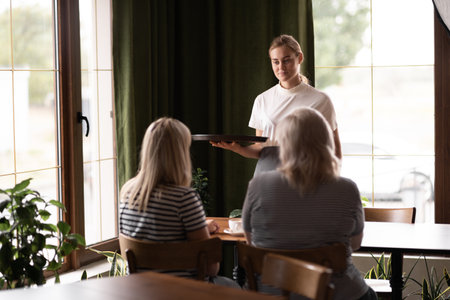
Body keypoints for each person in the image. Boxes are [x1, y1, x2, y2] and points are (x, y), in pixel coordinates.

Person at [242, 108, 377, 300]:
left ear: (284, 144)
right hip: (337, 293)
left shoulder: (258, 184)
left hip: (271, 292)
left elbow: (251, 242)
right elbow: (355, 244)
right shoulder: (347, 188)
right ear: (326, 142)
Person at [119, 117, 233, 284]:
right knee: (233, 285)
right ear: (180, 154)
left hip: (140, 291)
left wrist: (199, 228)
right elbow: (210, 268)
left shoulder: (127, 192)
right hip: (181, 291)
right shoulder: (184, 198)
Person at [211, 34, 342, 174]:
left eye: (286, 60)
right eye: (276, 62)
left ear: (300, 58)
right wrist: (237, 148)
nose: (281, 67)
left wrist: (330, 183)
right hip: (266, 176)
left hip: (305, 179)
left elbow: (335, 151)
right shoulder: (262, 99)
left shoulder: (320, 100)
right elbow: (261, 148)